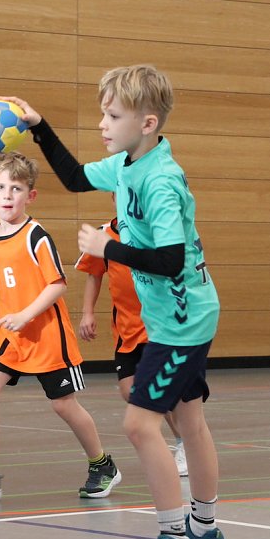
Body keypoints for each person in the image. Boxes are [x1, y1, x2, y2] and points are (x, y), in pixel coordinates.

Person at [0, 63, 224, 539]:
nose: (102, 124)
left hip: (182, 319)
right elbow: (77, 177)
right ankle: (204, 528)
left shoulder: (159, 180)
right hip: (186, 312)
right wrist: (40, 128)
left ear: (147, 124)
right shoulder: (127, 163)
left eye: (112, 116)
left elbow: (169, 259)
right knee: (190, 419)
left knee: (140, 425)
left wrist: (107, 249)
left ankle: (176, 531)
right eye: (103, 114)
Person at [0, 151, 121, 501]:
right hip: (9, 334)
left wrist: (25, 315)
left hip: (45, 335)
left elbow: (57, 285)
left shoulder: (36, 235)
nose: (8, 195)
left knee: (63, 404)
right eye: (1, 187)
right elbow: (3, 285)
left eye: (17, 188)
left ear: (31, 196)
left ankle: (102, 464)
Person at [75, 199, 188, 477]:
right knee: (129, 391)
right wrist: (87, 313)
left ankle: (184, 442)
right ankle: (178, 439)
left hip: (157, 326)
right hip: (125, 330)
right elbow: (93, 274)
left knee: (158, 387)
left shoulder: (155, 233)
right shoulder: (105, 236)